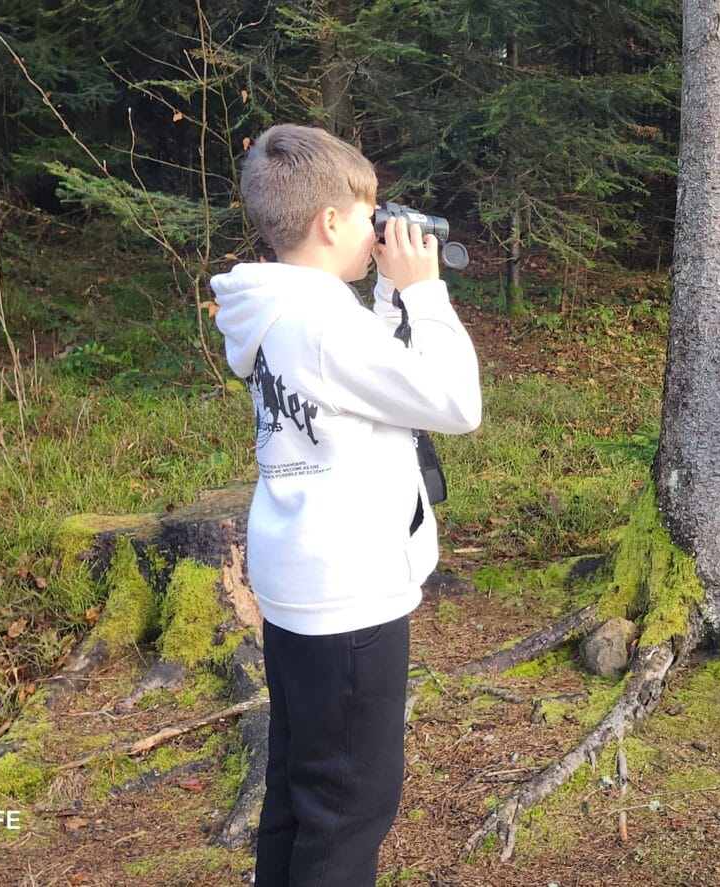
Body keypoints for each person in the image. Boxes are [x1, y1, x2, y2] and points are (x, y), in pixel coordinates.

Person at [209, 123, 482, 884]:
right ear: (331, 222)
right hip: (350, 601)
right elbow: (456, 402)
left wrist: (392, 294)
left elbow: (383, 382)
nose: (379, 227)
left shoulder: (280, 311)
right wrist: (424, 289)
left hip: (300, 585)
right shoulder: (324, 323)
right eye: (368, 213)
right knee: (348, 811)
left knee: (299, 795)